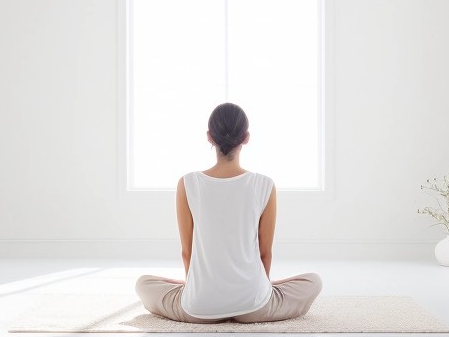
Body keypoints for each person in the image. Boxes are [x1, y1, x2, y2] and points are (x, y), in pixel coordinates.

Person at [136, 102, 322, 323]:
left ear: (209, 137)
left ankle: (203, 292)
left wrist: (198, 289)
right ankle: (252, 293)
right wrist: (258, 290)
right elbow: (265, 253)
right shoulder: (264, 184)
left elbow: (187, 252)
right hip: (254, 306)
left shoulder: (188, 183)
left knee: (143, 284)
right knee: (313, 281)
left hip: (199, 308)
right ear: (246, 137)